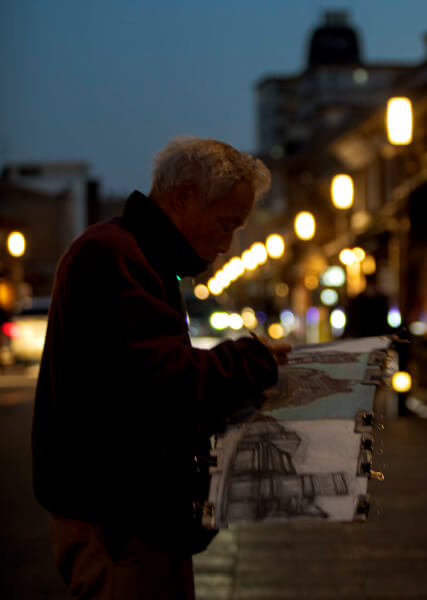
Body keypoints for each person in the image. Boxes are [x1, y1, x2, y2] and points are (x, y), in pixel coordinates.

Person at [31, 137, 291, 599]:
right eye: (225, 224)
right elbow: (166, 383)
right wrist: (249, 360)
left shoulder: (138, 256)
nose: (228, 245)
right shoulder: (113, 254)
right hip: (116, 522)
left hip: (135, 518)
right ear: (183, 198)